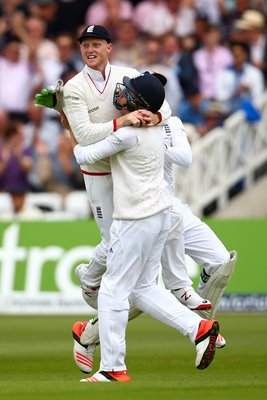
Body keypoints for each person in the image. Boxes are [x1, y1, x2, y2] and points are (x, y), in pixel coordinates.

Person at [70, 72, 220, 382]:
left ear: (139, 104)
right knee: (143, 288)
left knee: (113, 290)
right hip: (161, 215)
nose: (122, 94)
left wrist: (73, 121)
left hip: (135, 219)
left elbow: (83, 153)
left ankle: (113, 368)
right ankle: (199, 329)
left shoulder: (128, 135)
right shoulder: (155, 129)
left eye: (129, 92)